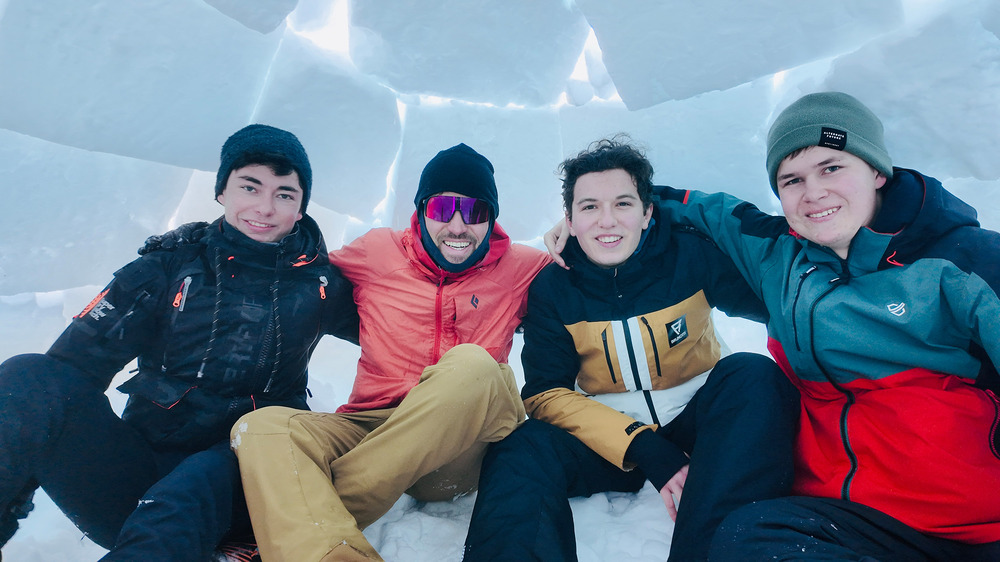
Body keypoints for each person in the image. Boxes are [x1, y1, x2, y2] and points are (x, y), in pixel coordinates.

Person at [553, 93, 1000, 560]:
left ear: (877, 171)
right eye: (792, 179)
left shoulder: (965, 262)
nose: (813, 193)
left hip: (973, 524)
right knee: (745, 538)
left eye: (831, 168)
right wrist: (593, 220)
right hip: (851, 523)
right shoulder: (780, 255)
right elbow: (703, 210)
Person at [0, 124, 359, 561]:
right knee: (29, 376)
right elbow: (65, 376)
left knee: (203, 475)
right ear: (221, 191)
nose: (265, 208)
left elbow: (402, 336)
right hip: (139, 484)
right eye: (250, 187)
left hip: (250, 486)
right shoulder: (167, 267)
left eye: (285, 194)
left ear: (301, 208)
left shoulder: (322, 284)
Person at [463, 137, 800, 561]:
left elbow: (780, 302)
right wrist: (643, 446)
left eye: (623, 204)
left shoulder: (690, 256)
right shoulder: (553, 287)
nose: (607, 222)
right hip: (606, 438)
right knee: (521, 446)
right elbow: (545, 394)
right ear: (569, 220)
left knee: (754, 374)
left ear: (647, 213)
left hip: (697, 421)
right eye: (589, 207)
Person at [229, 143, 552, 561]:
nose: (458, 227)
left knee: (473, 363)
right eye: (442, 209)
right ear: (420, 210)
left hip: (461, 445)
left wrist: (568, 236)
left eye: (475, 212)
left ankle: (297, 522)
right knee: (261, 427)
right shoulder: (377, 251)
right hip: (371, 424)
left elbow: (600, 263)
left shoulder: (525, 267)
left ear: (491, 218)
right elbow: (303, 273)